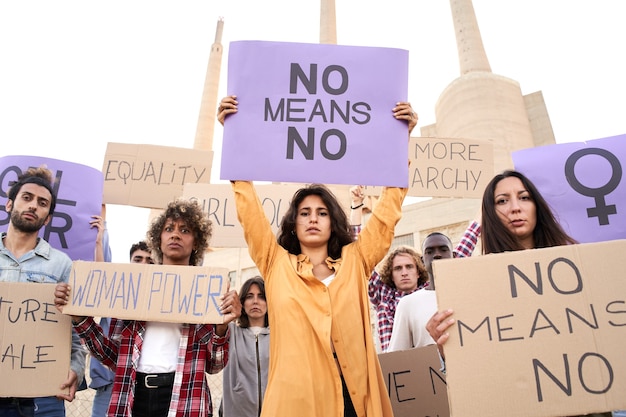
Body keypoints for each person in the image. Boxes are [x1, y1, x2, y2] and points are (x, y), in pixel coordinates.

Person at [219, 94, 413, 417]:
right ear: (293, 224)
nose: (312, 218)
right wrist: (233, 132)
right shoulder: (275, 263)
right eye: (305, 212)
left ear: (332, 221)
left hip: (354, 401)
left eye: (321, 213)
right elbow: (249, 209)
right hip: (296, 405)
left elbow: (388, 210)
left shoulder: (356, 260)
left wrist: (401, 138)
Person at [426, 170, 612, 417]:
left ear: (537, 205)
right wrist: (448, 351)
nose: (514, 208)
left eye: (523, 197)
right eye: (502, 201)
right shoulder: (473, 285)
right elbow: (478, 375)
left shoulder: (577, 269)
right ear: (490, 214)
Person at [54, 198, 242, 417]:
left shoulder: (208, 292)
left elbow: (214, 365)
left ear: (196, 242)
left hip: (185, 399)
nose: (175, 234)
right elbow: (111, 357)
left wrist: (221, 327)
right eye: (168, 229)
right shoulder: (133, 288)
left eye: (185, 230)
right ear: (158, 239)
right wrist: (80, 319)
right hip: (132, 397)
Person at [352, 179, 480, 351]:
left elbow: (466, 242)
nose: (404, 272)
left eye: (409, 266)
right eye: (398, 268)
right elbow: (361, 256)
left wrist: (485, 206)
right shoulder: (382, 296)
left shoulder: (435, 291)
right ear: (390, 273)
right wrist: (356, 206)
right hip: (396, 373)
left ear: (420, 269)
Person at [0, 166, 86, 417]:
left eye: (42, 203)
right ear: (9, 205)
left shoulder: (62, 265)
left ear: (47, 217)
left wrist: (75, 369)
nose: (33, 206)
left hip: (41, 395)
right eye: (26, 198)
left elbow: (75, 330)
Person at [88, 234, 154, 417]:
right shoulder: (116, 289)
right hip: (110, 382)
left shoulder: (158, 298)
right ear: (129, 262)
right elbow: (99, 275)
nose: (143, 264)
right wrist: (99, 241)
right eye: (138, 259)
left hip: (142, 383)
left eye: (149, 260)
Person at [387, 232, 454, 352]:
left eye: (443, 249)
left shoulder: (470, 295)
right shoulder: (407, 304)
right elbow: (396, 357)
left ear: (453, 255)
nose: (437, 255)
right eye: (430, 251)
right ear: (422, 261)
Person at [221, 276, 269, 417]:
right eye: (249, 296)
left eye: (261, 297)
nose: (255, 301)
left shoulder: (280, 336)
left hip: (273, 410)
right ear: (242, 302)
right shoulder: (230, 332)